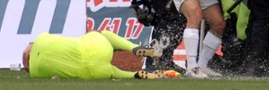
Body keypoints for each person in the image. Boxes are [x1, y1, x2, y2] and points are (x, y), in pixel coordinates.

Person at [22, 30, 179, 79]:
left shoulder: (36, 74)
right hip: (97, 47)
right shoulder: (41, 38)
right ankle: (134, 48)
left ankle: (135, 75)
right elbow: (33, 45)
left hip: (94, 73)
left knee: (111, 73)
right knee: (101, 34)